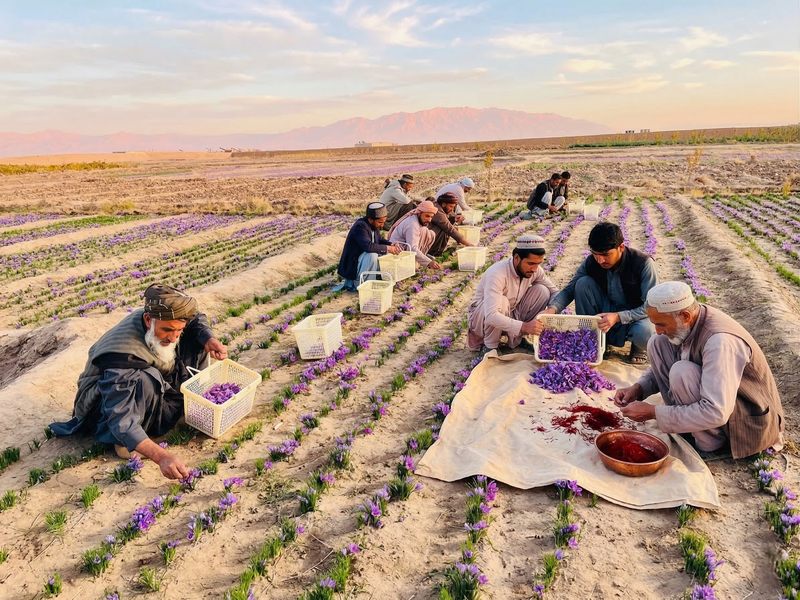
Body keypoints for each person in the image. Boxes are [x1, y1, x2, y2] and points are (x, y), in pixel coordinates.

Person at [49, 284, 228, 479]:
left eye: (178, 330)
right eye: (167, 330)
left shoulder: (165, 317)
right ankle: (125, 443)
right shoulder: (122, 357)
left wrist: (209, 338)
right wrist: (162, 457)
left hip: (144, 385)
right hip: (107, 409)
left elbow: (195, 318)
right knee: (145, 378)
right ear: (148, 320)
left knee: (196, 339)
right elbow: (121, 419)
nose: (173, 337)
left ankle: (184, 403)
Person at [614, 281, 784, 460]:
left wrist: (654, 412)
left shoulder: (720, 342)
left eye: (661, 324)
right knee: (657, 342)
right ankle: (687, 426)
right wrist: (639, 388)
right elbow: (664, 357)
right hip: (721, 405)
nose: (658, 330)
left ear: (685, 316)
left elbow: (715, 412)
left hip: (745, 422)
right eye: (655, 324)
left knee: (681, 372)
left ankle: (711, 444)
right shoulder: (690, 320)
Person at [542, 222, 657, 363]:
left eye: (605, 254)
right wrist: (552, 310)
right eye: (595, 254)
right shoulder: (591, 262)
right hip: (605, 310)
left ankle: (638, 347)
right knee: (582, 284)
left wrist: (618, 317)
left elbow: (650, 307)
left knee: (645, 332)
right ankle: (596, 339)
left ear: (621, 247)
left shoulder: (643, 264)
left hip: (634, 314)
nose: (600, 260)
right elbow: (569, 290)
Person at [467, 235, 558, 355]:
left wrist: (551, 311)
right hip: (483, 319)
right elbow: (491, 316)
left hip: (510, 313)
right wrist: (525, 326)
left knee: (542, 291)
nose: (535, 269)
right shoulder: (497, 274)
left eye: (538, 263)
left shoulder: (535, 270)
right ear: (516, 258)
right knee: (502, 301)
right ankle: (490, 347)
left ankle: (516, 339)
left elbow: (554, 292)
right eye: (531, 263)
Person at [335, 202, 402, 291]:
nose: (382, 225)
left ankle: (373, 279)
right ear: (370, 220)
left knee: (382, 252)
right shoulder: (360, 226)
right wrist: (388, 248)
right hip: (354, 264)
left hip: (363, 261)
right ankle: (363, 284)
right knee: (372, 255)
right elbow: (368, 246)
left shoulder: (373, 226)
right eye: (380, 222)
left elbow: (380, 240)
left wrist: (391, 244)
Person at [387, 200, 442, 270]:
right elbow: (413, 248)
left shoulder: (416, 220)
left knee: (429, 233)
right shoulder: (412, 224)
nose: (429, 220)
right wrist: (429, 262)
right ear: (419, 213)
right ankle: (412, 264)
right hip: (397, 253)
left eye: (431, 217)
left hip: (406, 248)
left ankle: (419, 260)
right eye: (427, 216)